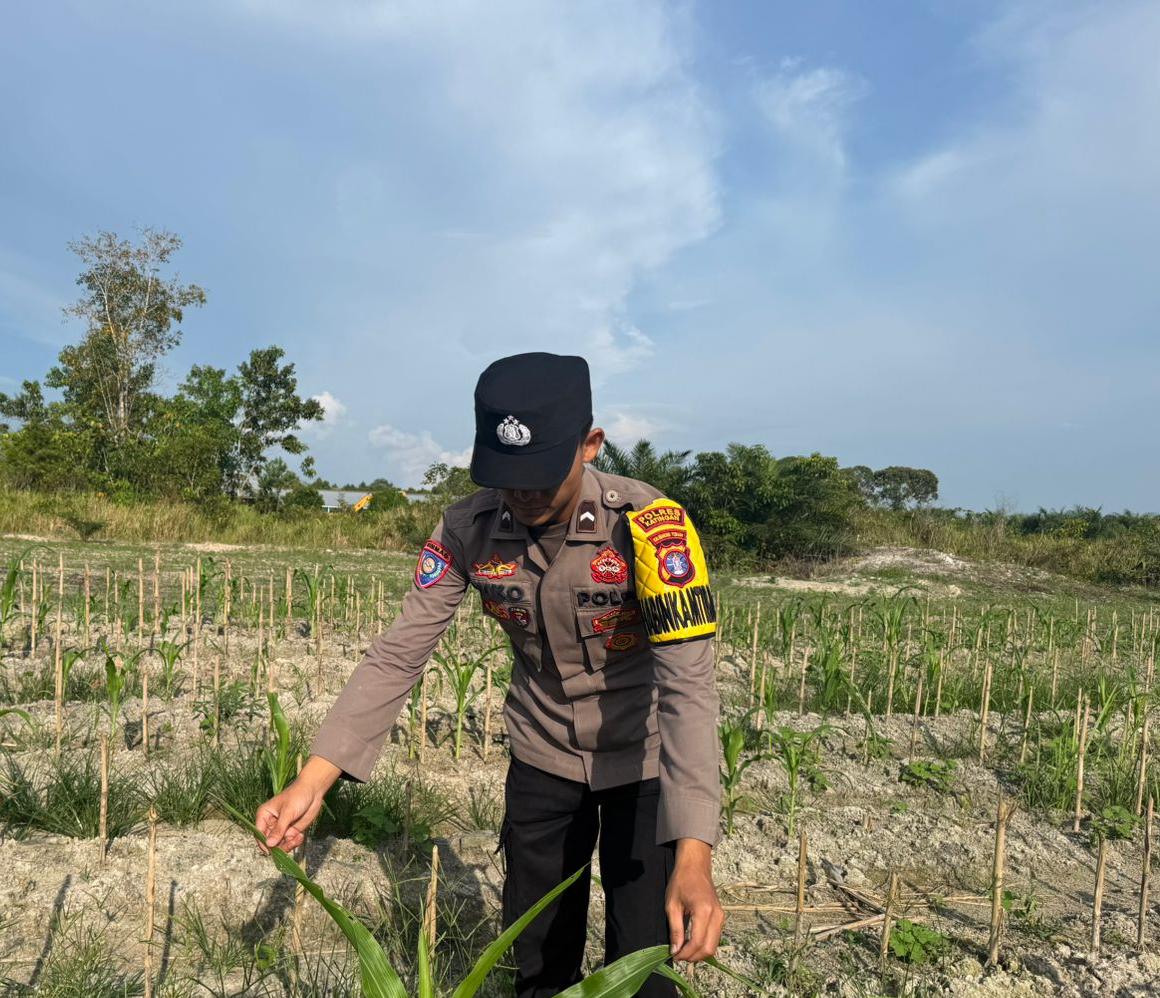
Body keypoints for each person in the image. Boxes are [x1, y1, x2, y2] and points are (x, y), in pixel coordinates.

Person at [255, 351, 724, 997]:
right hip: (542, 755)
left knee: (645, 967)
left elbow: (687, 687)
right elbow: (399, 653)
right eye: (507, 477)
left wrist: (694, 851)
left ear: (589, 445)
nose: (522, 495)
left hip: (643, 761)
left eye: (539, 476)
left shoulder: (652, 528)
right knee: (535, 959)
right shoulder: (466, 528)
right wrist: (314, 780)